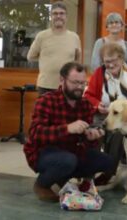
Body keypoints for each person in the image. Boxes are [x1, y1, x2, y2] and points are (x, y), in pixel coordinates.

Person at [23, 62, 113, 202]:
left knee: (106, 160)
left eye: (83, 83)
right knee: (68, 160)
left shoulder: (85, 105)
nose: (79, 87)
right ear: (62, 80)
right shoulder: (46, 100)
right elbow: (35, 133)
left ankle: (63, 178)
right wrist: (67, 128)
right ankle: (42, 184)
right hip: (44, 152)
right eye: (75, 82)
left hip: (72, 152)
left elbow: (88, 140)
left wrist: (92, 137)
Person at [84, 42, 127, 185]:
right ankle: (88, 173)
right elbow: (88, 95)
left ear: (121, 58)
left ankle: (109, 171)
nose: (111, 65)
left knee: (119, 134)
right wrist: (97, 105)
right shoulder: (99, 73)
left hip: (125, 117)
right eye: (107, 61)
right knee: (92, 132)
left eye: (114, 61)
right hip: (104, 114)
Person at [27, 1, 81, 96]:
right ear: (51, 17)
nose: (58, 16)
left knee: (67, 112)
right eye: (55, 13)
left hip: (67, 86)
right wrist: (45, 59)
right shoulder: (42, 36)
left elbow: (77, 61)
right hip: (45, 87)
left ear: (66, 17)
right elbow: (30, 56)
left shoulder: (74, 37)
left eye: (61, 13)